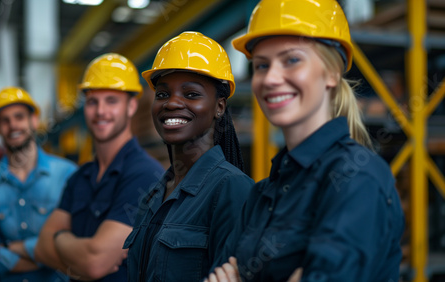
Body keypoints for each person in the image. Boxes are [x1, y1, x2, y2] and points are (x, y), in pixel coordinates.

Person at [207, 0, 405, 281]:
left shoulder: (358, 178)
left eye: (292, 60)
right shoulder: (262, 195)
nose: (271, 78)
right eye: (262, 65)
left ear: (332, 73)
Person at [123, 31, 254, 282]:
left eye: (191, 94)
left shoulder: (233, 190)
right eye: (162, 94)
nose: (172, 103)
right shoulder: (153, 195)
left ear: (219, 107)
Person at [34, 53, 164, 282]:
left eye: (111, 101)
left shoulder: (146, 175)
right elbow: (41, 248)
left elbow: (95, 262)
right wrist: (79, 264)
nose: (101, 111)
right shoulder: (80, 177)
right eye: (93, 101)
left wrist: (59, 237)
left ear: (131, 106)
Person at [0, 87, 78, 281]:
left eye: (19, 117)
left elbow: (77, 241)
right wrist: (53, 258)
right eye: (5, 120)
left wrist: (13, 251)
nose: (13, 125)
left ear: (33, 120)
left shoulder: (67, 174)